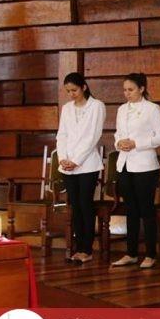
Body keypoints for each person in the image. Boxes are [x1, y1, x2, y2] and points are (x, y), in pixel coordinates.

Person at [111, 73, 160, 270]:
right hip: (124, 164)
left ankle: (150, 254)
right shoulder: (121, 109)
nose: (127, 93)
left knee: (146, 210)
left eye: (131, 89)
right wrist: (119, 143)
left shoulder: (152, 109)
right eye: (125, 90)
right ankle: (131, 253)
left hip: (145, 165)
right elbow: (117, 134)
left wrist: (137, 143)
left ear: (142, 89)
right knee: (130, 210)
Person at [56, 72, 106, 264]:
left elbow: (93, 136)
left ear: (84, 87)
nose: (71, 94)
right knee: (75, 206)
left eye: (74, 90)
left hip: (87, 164)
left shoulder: (97, 106)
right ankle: (78, 248)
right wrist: (63, 158)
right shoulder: (67, 108)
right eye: (68, 91)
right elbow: (62, 135)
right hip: (68, 165)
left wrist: (76, 160)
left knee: (85, 204)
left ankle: (88, 248)